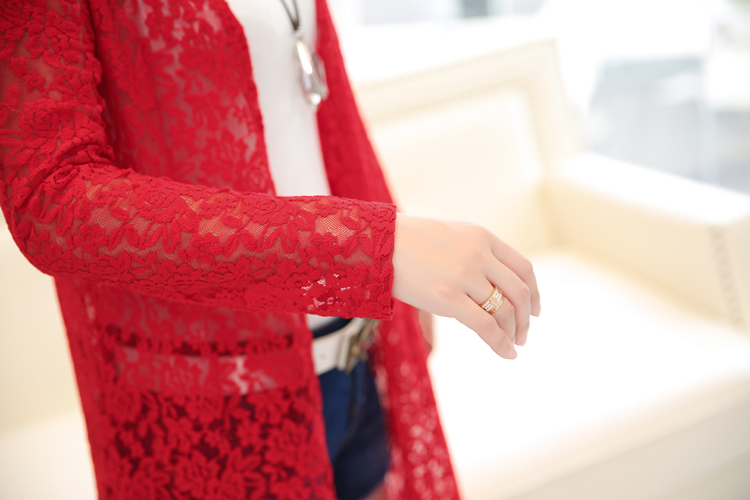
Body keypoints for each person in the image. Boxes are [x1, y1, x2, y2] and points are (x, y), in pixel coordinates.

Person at [0, 1, 541, 499]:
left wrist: (391, 242)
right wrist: (374, 245)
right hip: (213, 403)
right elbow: (50, 200)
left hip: (354, 352)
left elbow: (315, 111)